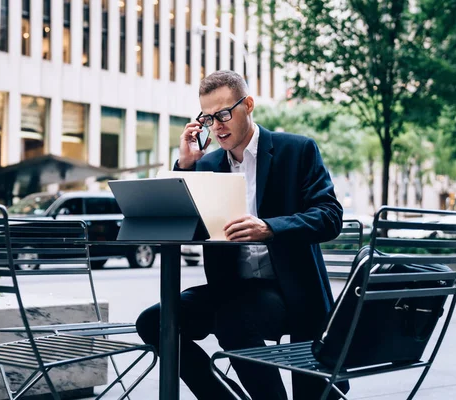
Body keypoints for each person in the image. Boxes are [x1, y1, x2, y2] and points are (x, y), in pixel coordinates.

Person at [135, 70, 345, 400]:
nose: (217, 126)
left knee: (232, 319)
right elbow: (180, 227)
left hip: (288, 290)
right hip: (231, 289)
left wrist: (270, 228)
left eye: (223, 114)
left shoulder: (297, 150)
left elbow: (330, 217)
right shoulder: (207, 165)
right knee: (154, 321)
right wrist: (185, 166)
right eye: (207, 118)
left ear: (248, 105)